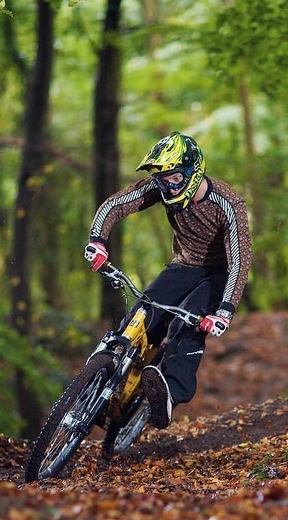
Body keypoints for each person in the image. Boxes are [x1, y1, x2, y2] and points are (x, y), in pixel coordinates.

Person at [84, 131, 252, 429]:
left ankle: (168, 395)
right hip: (183, 266)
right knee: (141, 314)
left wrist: (224, 310)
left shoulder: (228, 203)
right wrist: (98, 240)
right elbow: (116, 205)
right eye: (162, 179)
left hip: (220, 274)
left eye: (174, 178)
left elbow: (240, 259)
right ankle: (101, 387)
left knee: (186, 325)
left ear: (193, 171)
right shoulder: (160, 189)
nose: (168, 186)